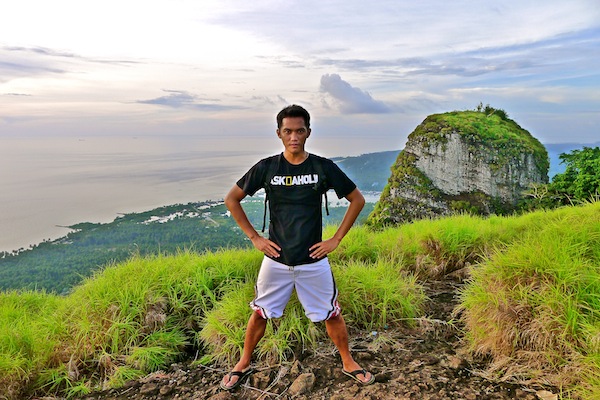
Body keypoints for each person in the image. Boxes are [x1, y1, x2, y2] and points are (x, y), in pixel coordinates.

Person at [220, 104, 374, 390]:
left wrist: (336, 239)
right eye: (288, 131)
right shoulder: (267, 167)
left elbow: (357, 199)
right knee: (260, 312)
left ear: (308, 132)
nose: (294, 136)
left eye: (299, 131)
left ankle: (348, 361)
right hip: (276, 260)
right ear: (279, 133)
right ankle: (243, 361)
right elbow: (232, 199)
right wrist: (255, 238)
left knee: (331, 313)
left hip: (313, 261)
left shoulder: (321, 167)